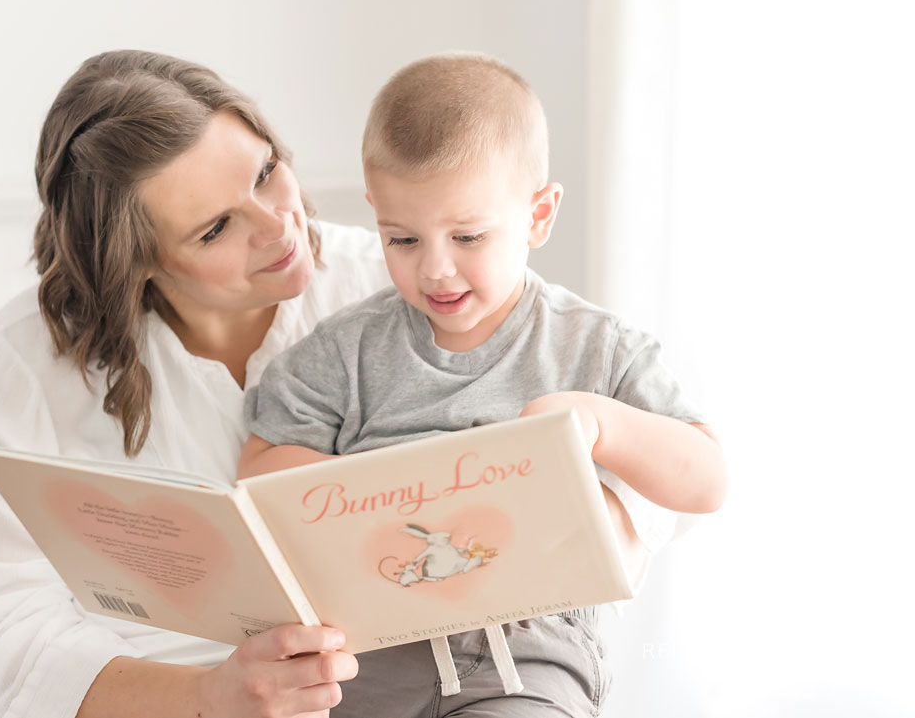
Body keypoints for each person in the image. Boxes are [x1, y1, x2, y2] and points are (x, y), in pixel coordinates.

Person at [0, 50, 683, 718]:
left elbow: (602, 409)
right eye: (215, 228)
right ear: (138, 265)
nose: (279, 226)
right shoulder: (31, 356)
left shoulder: (405, 279)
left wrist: (612, 512)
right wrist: (201, 701)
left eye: (265, 172)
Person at [238, 52, 727, 716]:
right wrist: (352, 496)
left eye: (468, 235)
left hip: (522, 653)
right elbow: (262, 473)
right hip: (367, 651)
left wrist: (599, 422)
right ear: (375, 211)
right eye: (402, 238)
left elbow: (705, 478)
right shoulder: (341, 351)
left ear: (538, 215)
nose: (436, 268)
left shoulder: (593, 346)